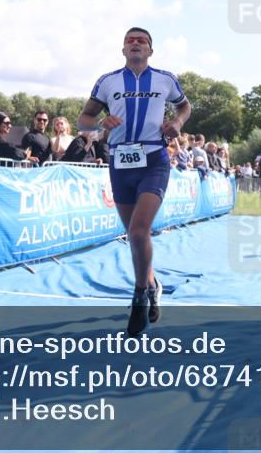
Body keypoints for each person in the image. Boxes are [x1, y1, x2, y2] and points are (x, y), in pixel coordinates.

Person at [78, 27, 191, 337]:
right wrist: (100, 122)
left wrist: (178, 122)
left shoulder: (165, 79)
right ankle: (153, 284)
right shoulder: (108, 81)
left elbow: (185, 105)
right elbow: (83, 120)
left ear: (150, 51)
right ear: (123, 50)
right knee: (134, 235)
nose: (136, 43)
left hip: (154, 160)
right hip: (120, 162)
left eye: (142, 40)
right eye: (130, 40)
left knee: (140, 229)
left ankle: (140, 292)